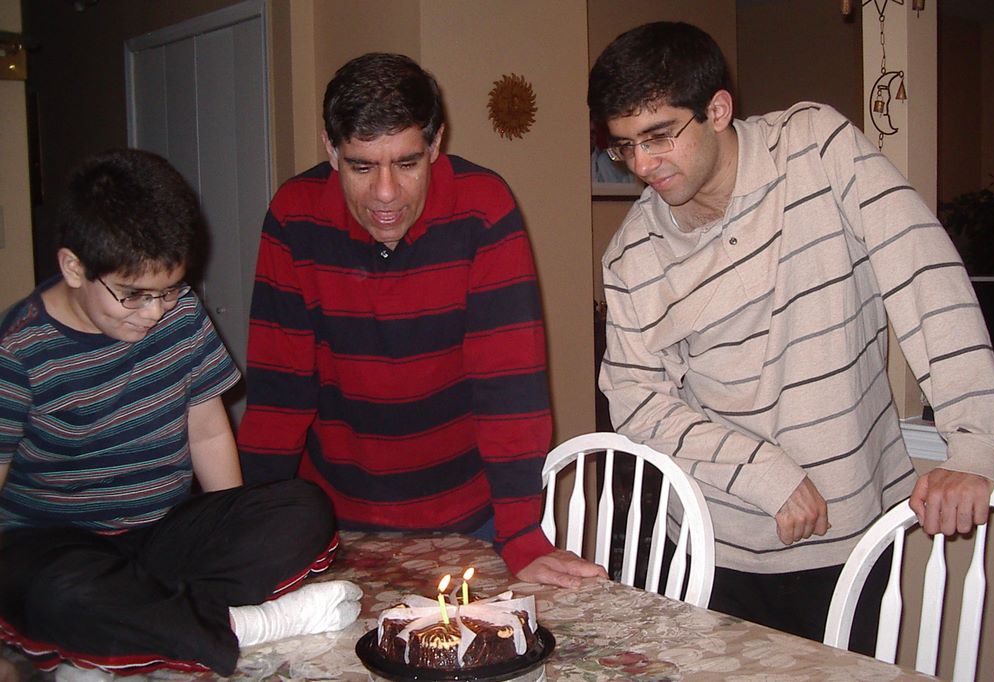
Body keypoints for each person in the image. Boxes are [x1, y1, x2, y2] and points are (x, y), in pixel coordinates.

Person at [589, 22, 994, 649]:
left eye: (659, 137)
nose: (643, 166)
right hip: (710, 548)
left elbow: (923, 274)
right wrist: (765, 472)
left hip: (852, 539)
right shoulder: (633, 255)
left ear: (717, 109)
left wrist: (975, 442)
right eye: (625, 147)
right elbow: (637, 402)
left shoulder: (816, 148)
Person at [237, 53, 604, 589]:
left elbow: (508, 389)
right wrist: (254, 524)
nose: (385, 194)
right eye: (362, 167)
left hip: (469, 518)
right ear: (331, 149)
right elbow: (279, 394)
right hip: (331, 521)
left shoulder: (484, 209)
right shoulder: (294, 216)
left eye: (407, 164)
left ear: (435, 145)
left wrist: (522, 532)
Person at [0, 149, 362, 681]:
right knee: (58, 593)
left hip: (161, 536)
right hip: (59, 547)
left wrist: (230, 521)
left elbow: (208, 430)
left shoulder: (181, 313)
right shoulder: (18, 349)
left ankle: (127, 634)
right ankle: (244, 626)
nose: (155, 312)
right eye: (133, 295)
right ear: (74, 267)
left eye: (168, 290)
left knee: (303, 507)